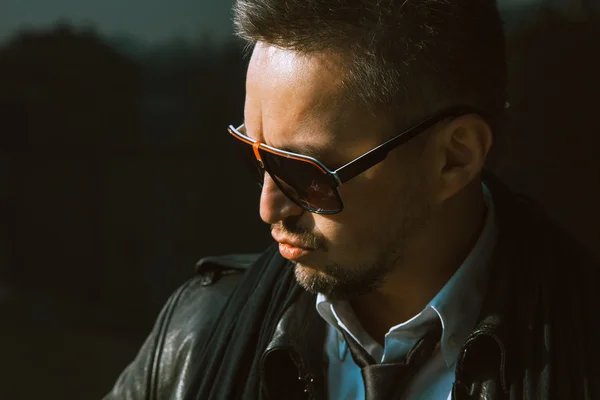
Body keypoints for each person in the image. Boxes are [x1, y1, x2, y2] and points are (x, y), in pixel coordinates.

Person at [104, 0, 600, 399]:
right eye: (258, 157)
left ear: (455, 158)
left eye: (305, 173)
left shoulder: (581, 353)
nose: (268, 209)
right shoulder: (195, 337)